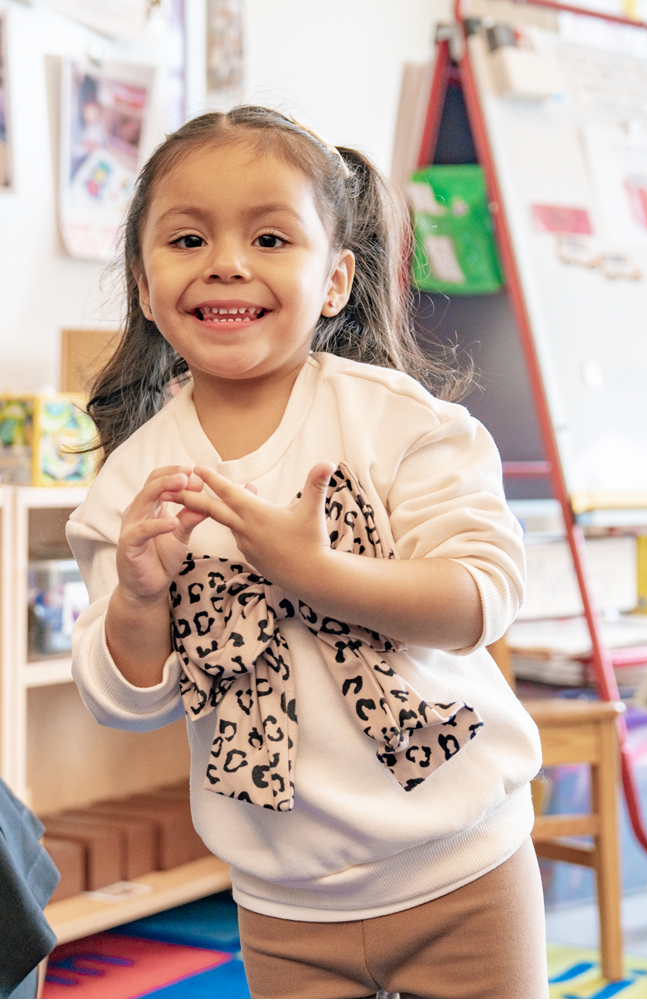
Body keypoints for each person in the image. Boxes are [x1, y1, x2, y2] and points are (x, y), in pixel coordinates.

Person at [68, 106, 546, 1000]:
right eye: (186, 237)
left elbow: (483, 594)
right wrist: (137, 601)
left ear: (334, 281)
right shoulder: (132, 483)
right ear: (143, 282)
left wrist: (318, 573)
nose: (227, 261)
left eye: (271, 236)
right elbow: (124, 701)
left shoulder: (400, 422)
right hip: (283, 902)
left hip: (461, 867)